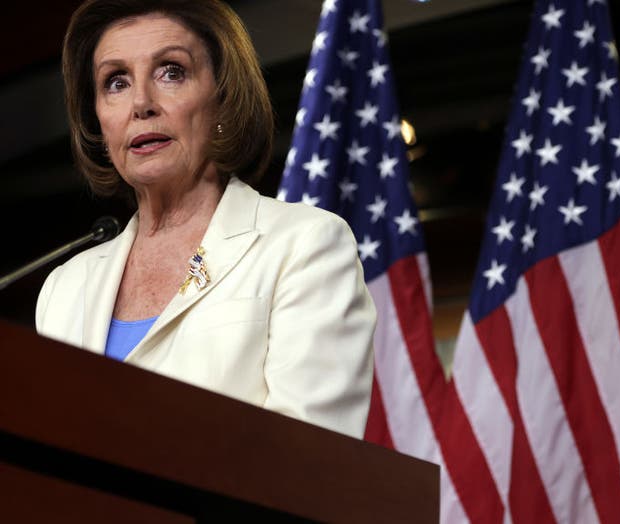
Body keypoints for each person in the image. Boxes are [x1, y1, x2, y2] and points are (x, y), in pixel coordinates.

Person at [35, 0, 376, 439]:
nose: (141, 103)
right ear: (98, 120)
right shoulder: (64, 288)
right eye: (116, 82)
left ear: (223, 98)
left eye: (171, 71)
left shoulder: (304, 245)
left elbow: (312, 460)